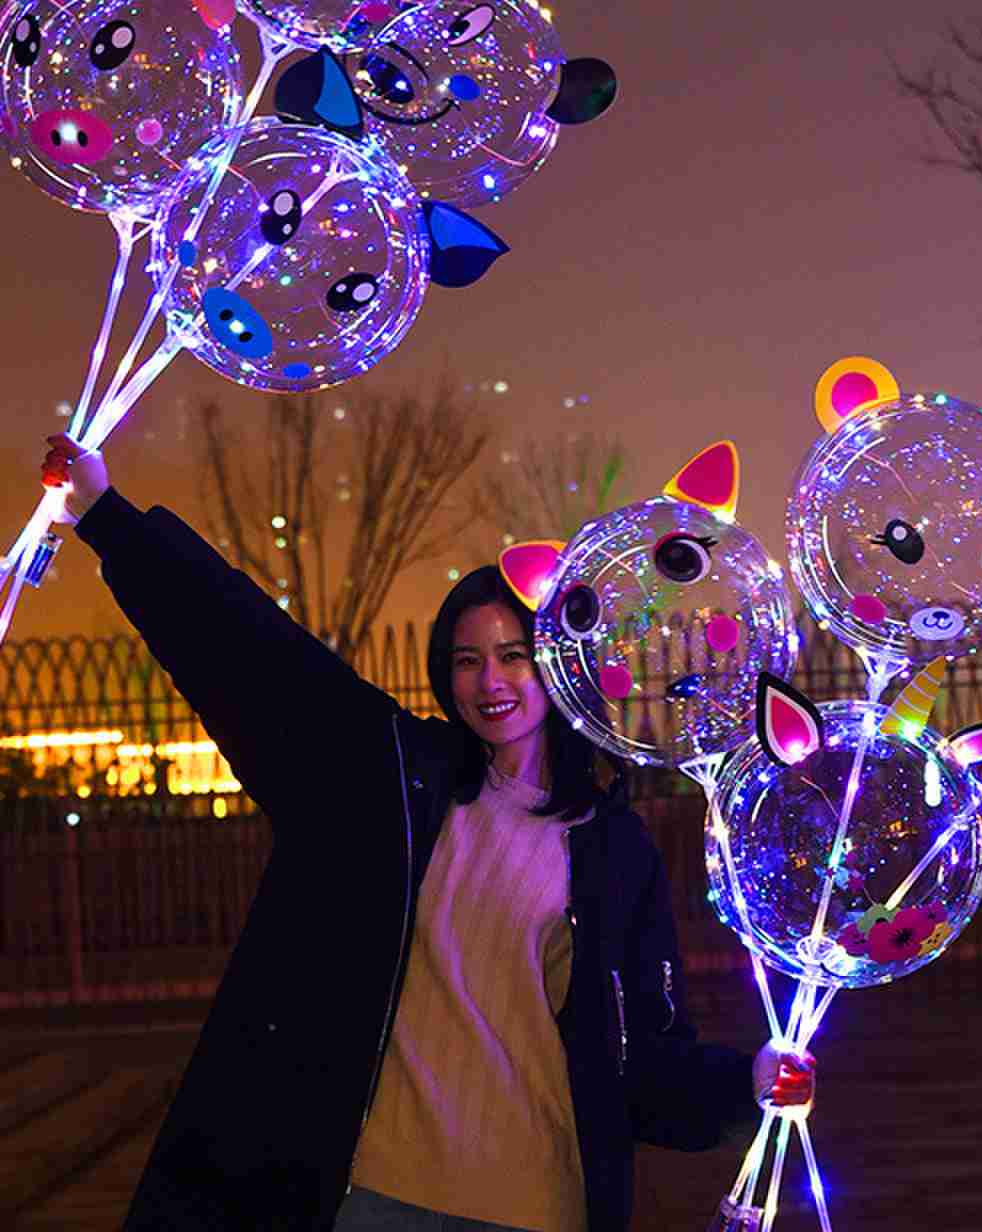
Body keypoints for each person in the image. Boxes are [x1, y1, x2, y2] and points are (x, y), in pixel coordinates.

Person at [41, 433, 816, 1232]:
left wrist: (749, 1081)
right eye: (466, 659)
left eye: (514, 655)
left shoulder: (617, 849)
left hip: (535, 1207)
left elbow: (645, 1057)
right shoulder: (393, 783)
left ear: (557, 662)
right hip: (376, 1196)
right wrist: (107, 516)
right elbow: (254, 655)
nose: (491, 681)